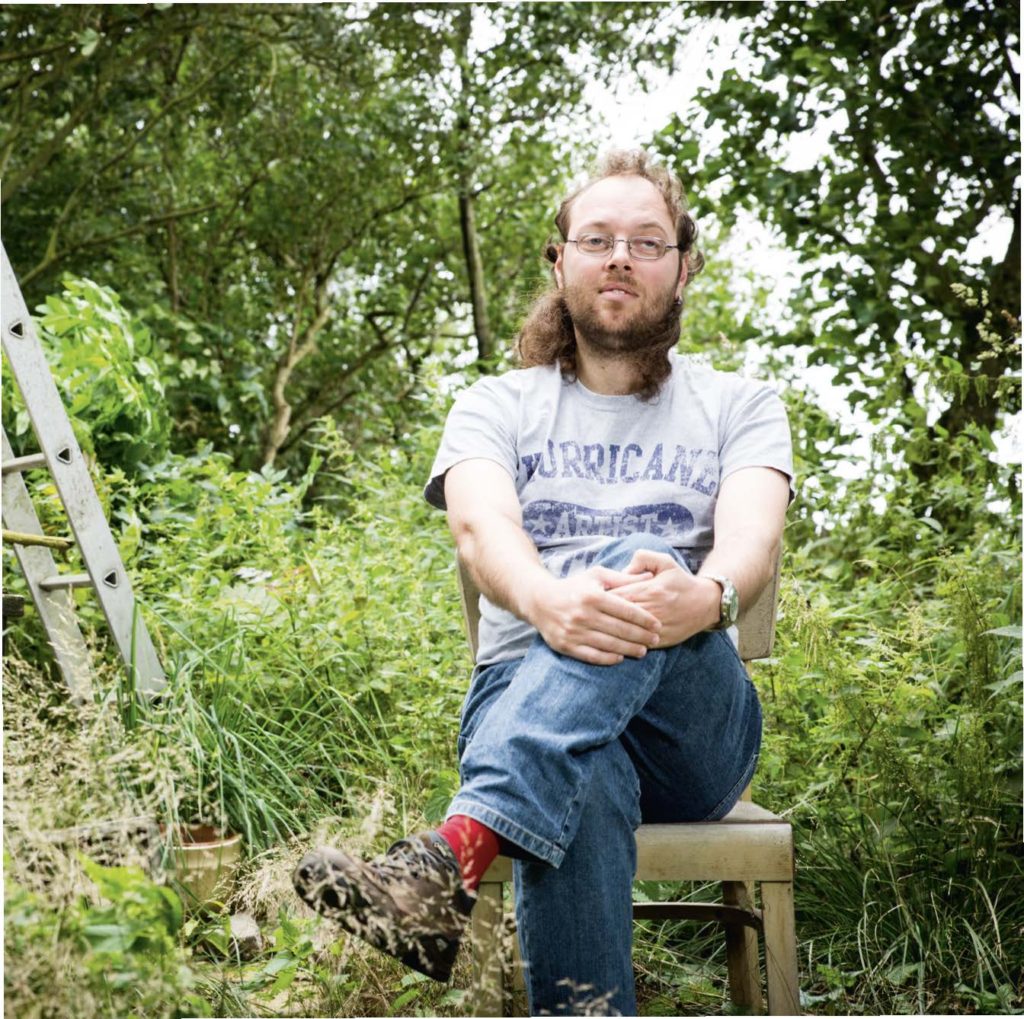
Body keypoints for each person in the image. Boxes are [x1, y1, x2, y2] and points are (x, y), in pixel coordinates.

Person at [294, 149, 794, 1015]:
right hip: (522, 690)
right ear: (559, 261)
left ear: (683, 265)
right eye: (596, 239)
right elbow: (481, 527)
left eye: (647, 240)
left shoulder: (739, 403)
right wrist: (546, 601)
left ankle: (452, 851)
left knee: (647, 556)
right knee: (583, 775)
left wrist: (703, 598)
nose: (620, 258)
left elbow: (752, 535)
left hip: (694, 724)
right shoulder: (497, 403)